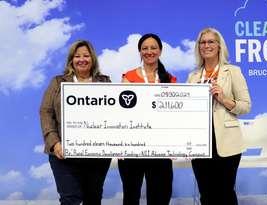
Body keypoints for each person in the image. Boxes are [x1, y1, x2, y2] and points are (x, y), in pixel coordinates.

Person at [40, 40, 112, 205]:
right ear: (71, 59)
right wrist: (54, 143)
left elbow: (114, 115)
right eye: (77, 56)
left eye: (86, 55)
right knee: (69, 199)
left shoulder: (105, 82)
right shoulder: (58, 82)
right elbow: (46, 112)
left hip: (96, 156)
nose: (82, 59)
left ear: (92, 58)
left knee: (93, 199)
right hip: (63, 154)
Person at [187, 28, 251, 205]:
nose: (206, 45)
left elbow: (245, 106)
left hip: (226, 142)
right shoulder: (193, 76)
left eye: (210, 42)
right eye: (203, 42)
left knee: (225, 193)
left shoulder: (232, 72)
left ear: (219, 46)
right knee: (205, 194)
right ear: (198, 47)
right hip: (201, 144)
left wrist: (223, 99)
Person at [118, 33, 176, 205]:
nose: (149, 51)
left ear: (160, 51)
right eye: (145, 48)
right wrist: (119, 143)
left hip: (160, 148)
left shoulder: (170, 80)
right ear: (140, 52)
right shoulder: (128, 78)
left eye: (153, 48)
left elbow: (174, 117)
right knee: (131, 197)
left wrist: (176, 144)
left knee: (160, 197)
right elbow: (122, 114)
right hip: (133, 147)